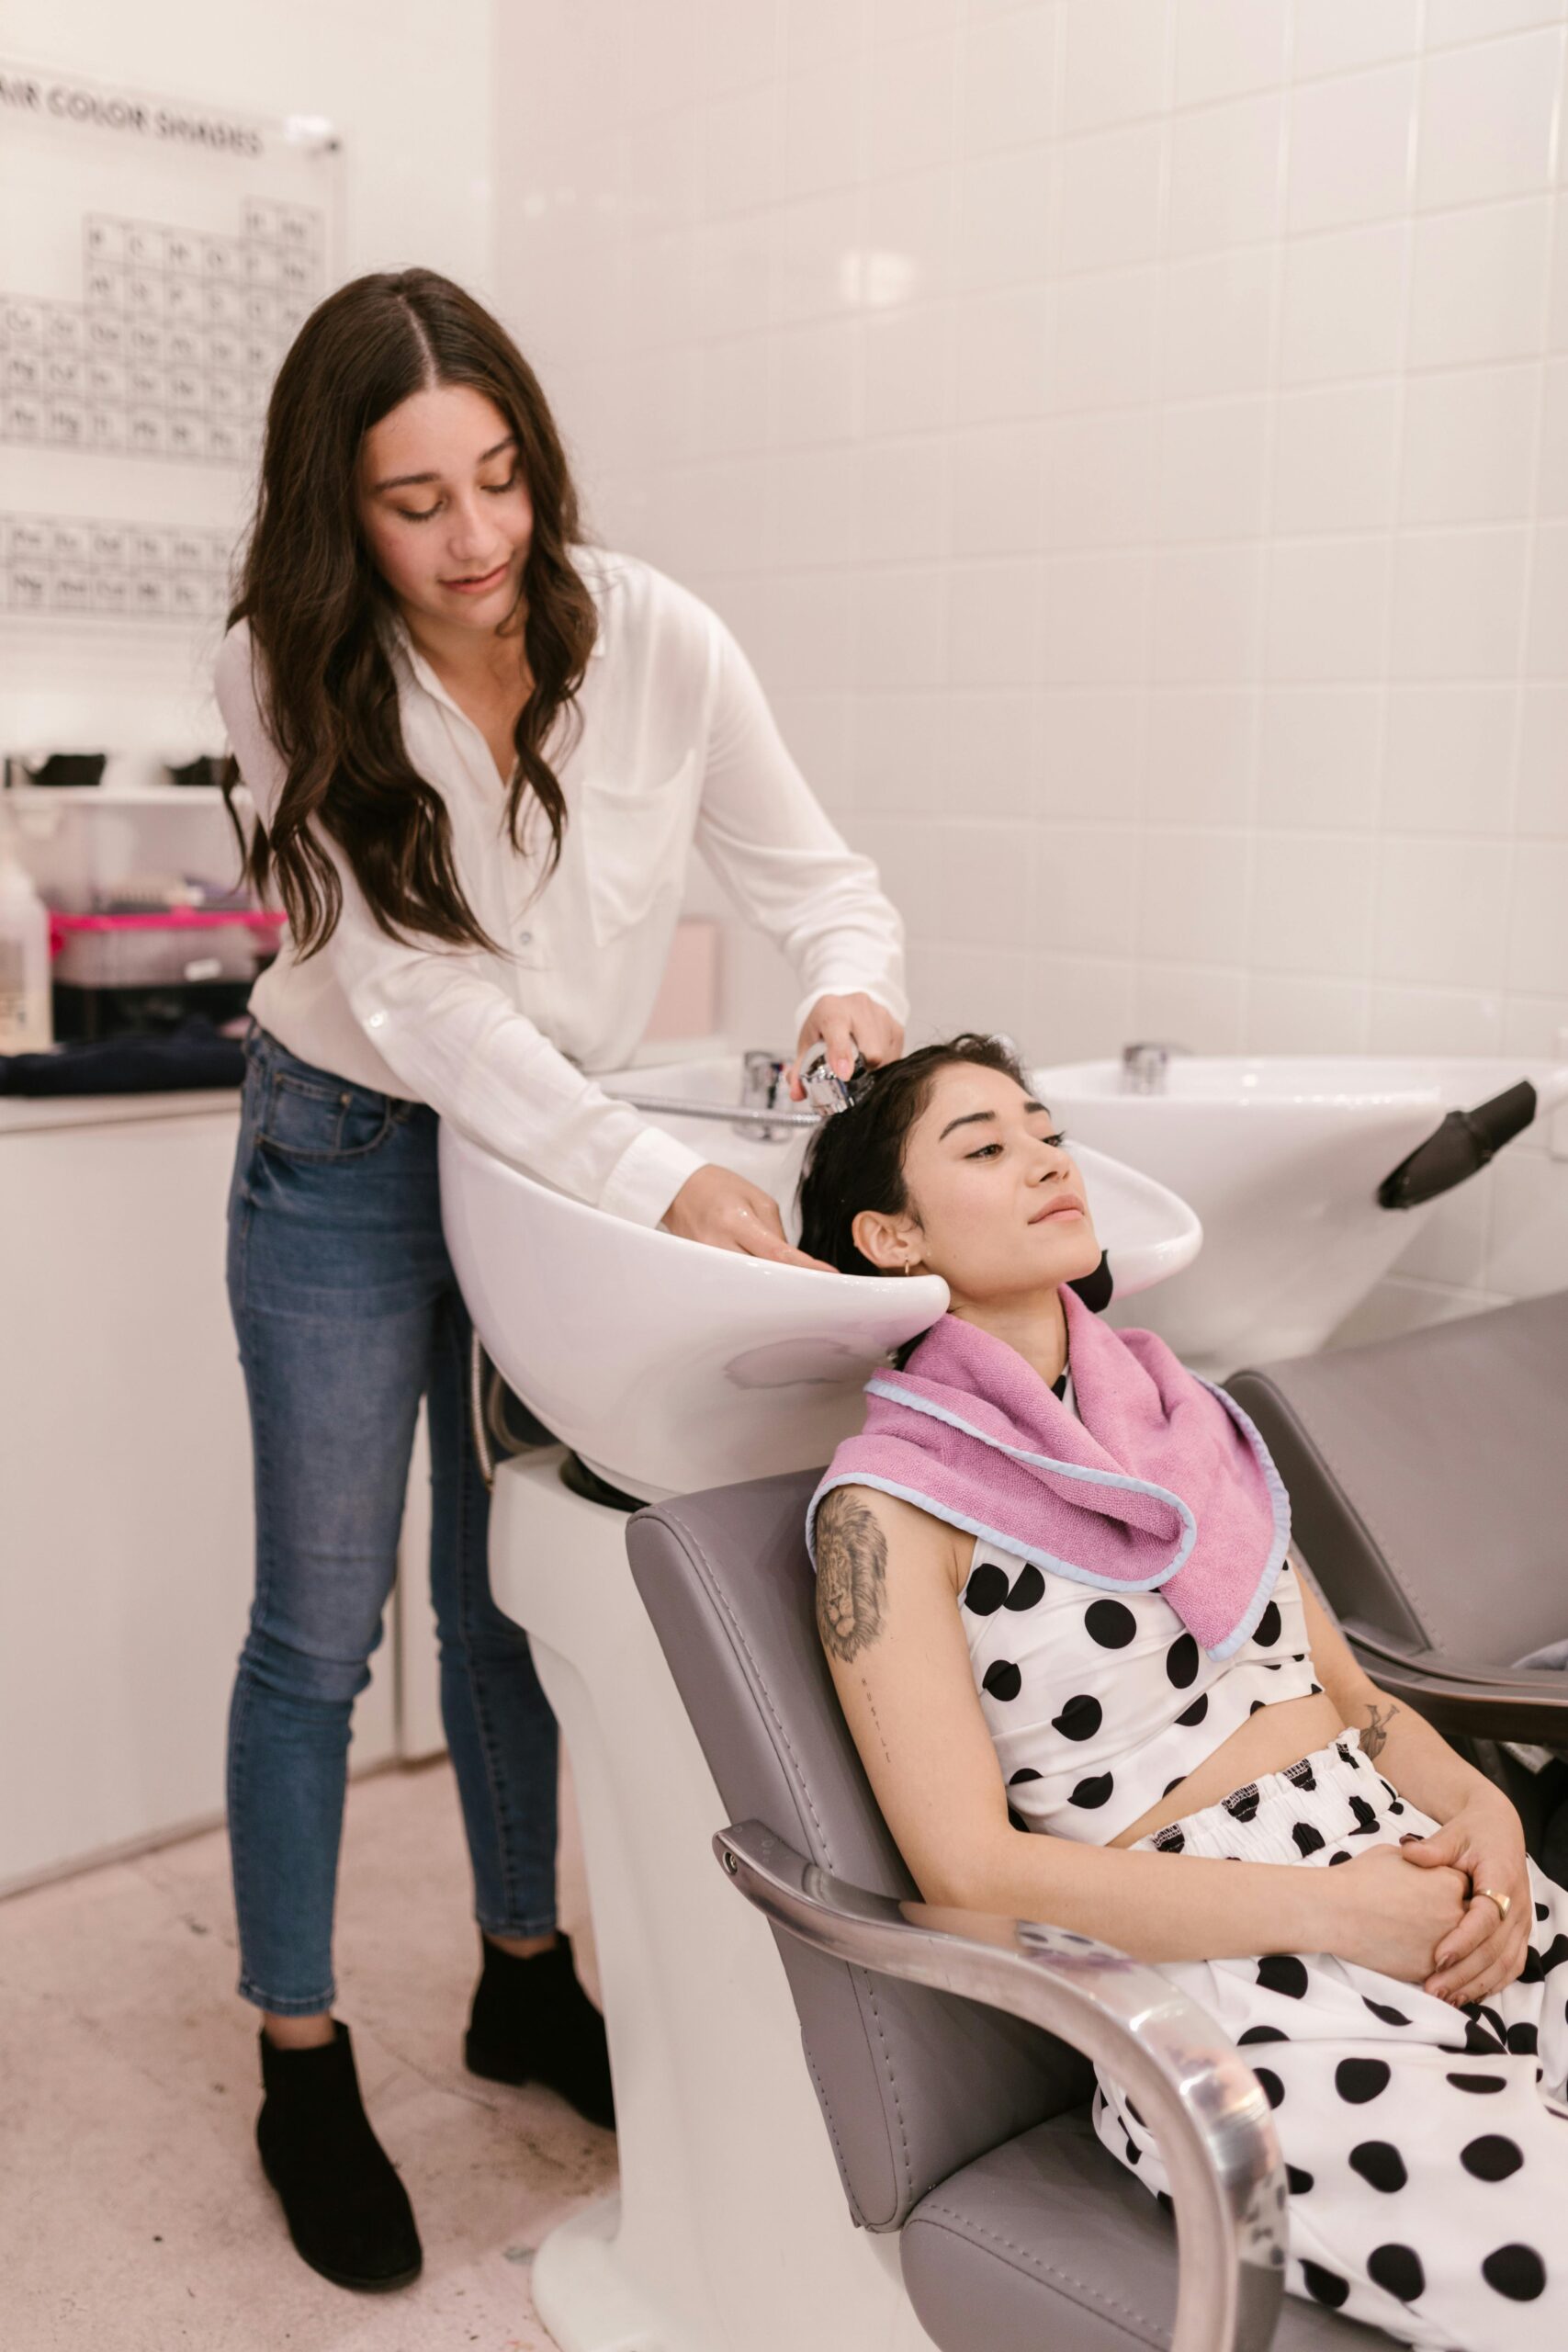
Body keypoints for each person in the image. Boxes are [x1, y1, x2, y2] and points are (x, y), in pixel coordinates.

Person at [213, 266, 907, 2293]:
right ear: (339, 516)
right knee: (319, 1632)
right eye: (416, 501)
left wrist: (849, 999)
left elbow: (815, 880)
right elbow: (420, 1006)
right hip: (350, 1147)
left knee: (510, 1589)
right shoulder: (287, 670)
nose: (477, 538)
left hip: (559, 1165)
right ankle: (298, 2050)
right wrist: (656, 1172)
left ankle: (525, 1972)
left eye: (501, 476)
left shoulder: (657, 633)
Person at [796, 1035, 1566, 2352]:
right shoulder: (888, 1511)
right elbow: (969, 1872)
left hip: (1429, 1886)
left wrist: (1486, 1828)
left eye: (1045, 1130)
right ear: (889, 1234)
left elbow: (1346, 1692)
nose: (1043, 1156)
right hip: (1238, 1996)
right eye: (984, 1147)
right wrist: (1341, 1916)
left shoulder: (1185, 1418)